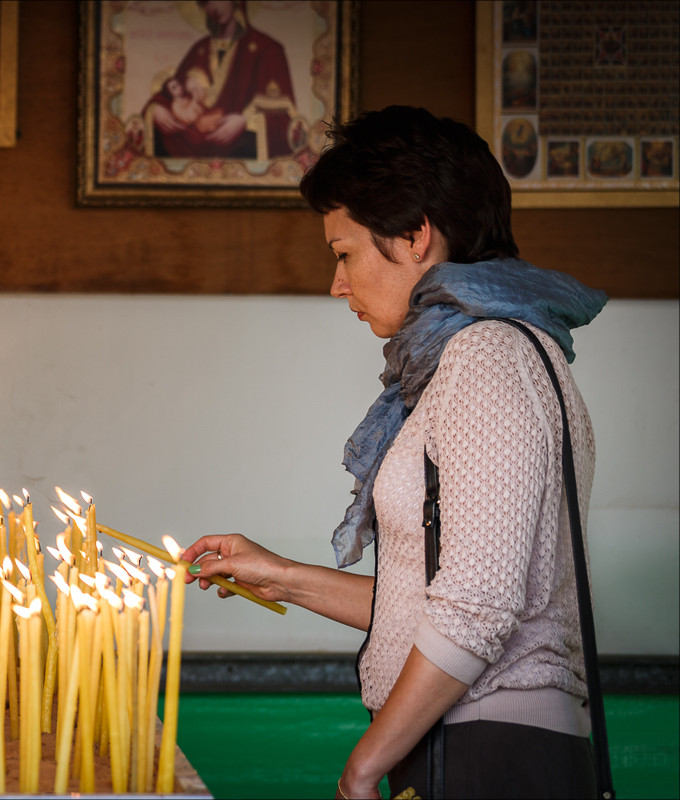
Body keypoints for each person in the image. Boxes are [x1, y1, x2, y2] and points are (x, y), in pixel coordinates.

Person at [180, 106, 607, 799]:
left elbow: (477, 610)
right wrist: (284, 576)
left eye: (344, 254)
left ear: (415, 236)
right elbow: (439, 600)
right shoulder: (463, 358)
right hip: (459, 739)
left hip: (489, 754)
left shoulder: (488, 357)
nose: (337, 285)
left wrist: (362, 767)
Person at [143, 0, 296, 159]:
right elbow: (170, 91)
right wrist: (155, 110)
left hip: (239, 147)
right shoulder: (199, 49)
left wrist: (245, 121)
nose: (214, 7)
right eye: (206, 2)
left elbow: (284, 112)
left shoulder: (267, 50)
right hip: (191, 142)